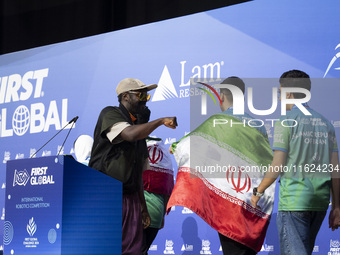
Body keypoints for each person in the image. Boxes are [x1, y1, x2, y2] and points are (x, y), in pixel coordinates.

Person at [168, 77, 275, 255]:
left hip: (228, 200)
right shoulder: (259, 126)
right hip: (252, 199)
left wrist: (175, 146)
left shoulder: (217, 122)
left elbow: (192, 144)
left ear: (222, 96)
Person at [251, 70, 340, 255]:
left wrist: (258, 191)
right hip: (320, 203)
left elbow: (277, 165)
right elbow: (335, 170)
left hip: (294, 201)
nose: (279, 97)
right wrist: (337, 206)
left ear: (289, 94)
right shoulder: (326, 124)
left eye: (279, 92)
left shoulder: (286, 121)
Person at [89, 78, 177, 255]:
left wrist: (143, 208)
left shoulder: (139, 132)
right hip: (105, 196)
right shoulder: (110, 113)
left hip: (130, 199)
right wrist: (160, 121)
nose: (145, 99)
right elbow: (128, 134)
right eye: (140, 95)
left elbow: (137, 173)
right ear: (125, 97)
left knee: (133, 251)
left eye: (147, 96)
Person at [142, 137, 174, 255]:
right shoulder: (166, 166)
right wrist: (162, 217)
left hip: (138, 214)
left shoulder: (139, 162)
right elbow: (167, 193)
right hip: (156, 216)